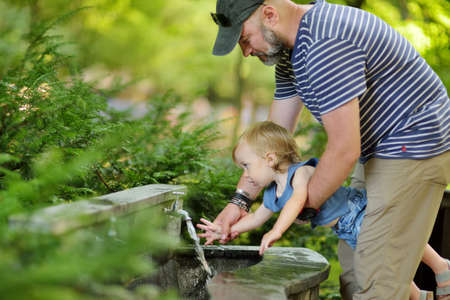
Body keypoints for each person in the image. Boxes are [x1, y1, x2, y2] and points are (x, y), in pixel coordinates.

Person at [208, 0, 450, 298]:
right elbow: (268, 146)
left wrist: (301, 203)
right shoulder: (290, 51)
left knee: (376, 280)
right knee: (354, 272)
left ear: (270, 14)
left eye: (244, 39)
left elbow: (344, 149)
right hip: (377, 148)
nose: (245, 52)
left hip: (414, 145)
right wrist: (239, 202)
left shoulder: (326, 43)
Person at [197, 121, 450, 300]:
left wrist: (276, 231)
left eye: (246, 165)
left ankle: (440, 264)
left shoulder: (300, 172)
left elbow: (298, 200)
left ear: (270, 158)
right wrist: (226, 228)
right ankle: (421, 297)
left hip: (360, 213)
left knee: (394, 255)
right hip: (348, 230)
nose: (246, 175)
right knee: (390, 271)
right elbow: (254, 217)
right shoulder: (272, 193)